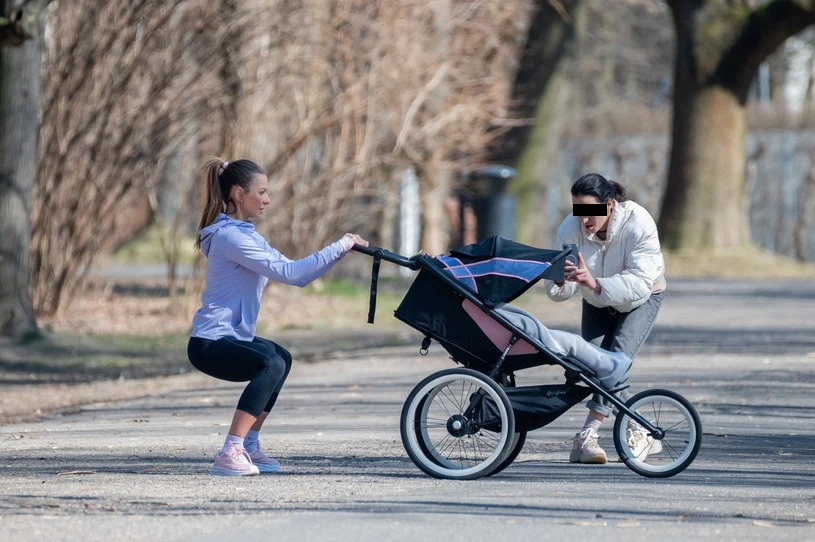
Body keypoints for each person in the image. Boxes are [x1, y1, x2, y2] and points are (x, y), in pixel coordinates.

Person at [187, 157, 368, 476]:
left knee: (280, 356)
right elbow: (289, 271)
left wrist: (339, 252)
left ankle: (249, 444)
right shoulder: (232, 238)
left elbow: (296, 274)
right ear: (240, 194)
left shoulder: (245, 235)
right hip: (210, 343)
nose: (268, 199)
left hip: (227, 338)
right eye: (262, 192)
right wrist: (339, 244)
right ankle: (230, 451)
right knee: (269, 363)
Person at [542, 173, 666, 464]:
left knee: (615, 361)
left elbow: (640, 282)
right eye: (579, 211)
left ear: (609, 204)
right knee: (594, 366)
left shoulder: (638, 223)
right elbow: (555, 291)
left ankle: (588, 435)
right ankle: (639, 429)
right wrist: (562, 280)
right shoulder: (569, 230)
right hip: (596, 299)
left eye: (591, 211)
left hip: (642, 299)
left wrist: (595, 283)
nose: (584, 220)